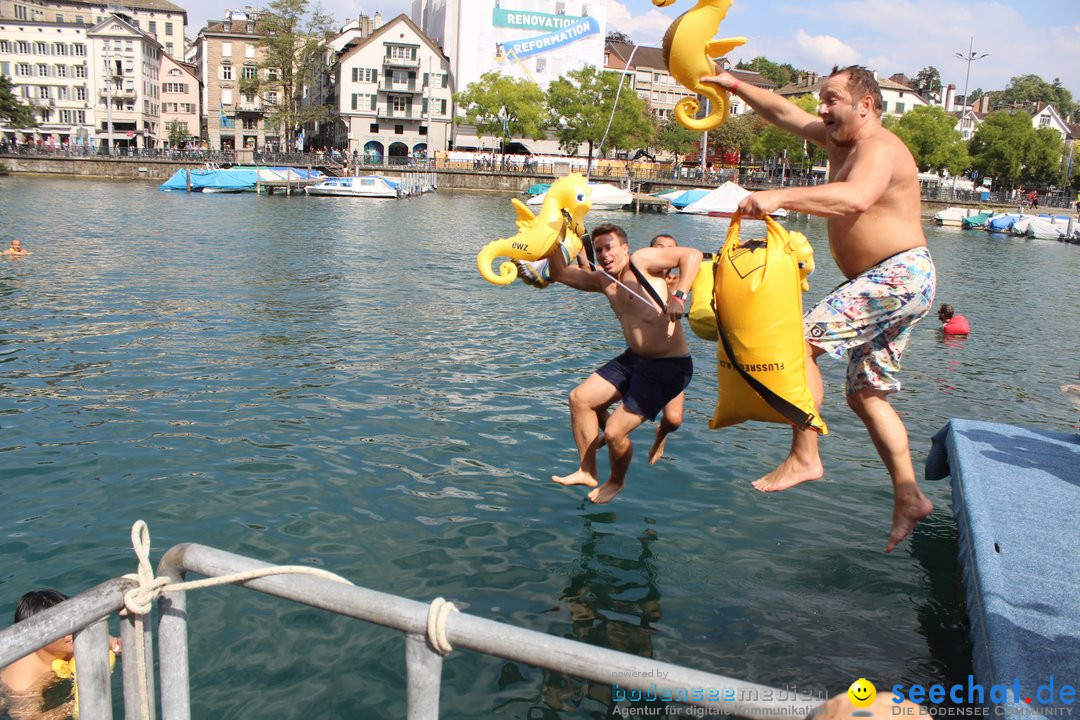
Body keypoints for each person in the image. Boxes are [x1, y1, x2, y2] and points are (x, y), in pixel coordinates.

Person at [702, 65, 936, 552]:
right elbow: (784, 111)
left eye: (832, 100)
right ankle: (909, 495)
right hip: (889, 281)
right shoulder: (838, 141)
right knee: (866, 395)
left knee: (796, 343)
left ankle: (805, 454)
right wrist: (735, 85)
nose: (822, 110)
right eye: (821, 101)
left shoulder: (879, 147)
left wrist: (779, 196)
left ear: (865, 105)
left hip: (898, 274)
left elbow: (855, 199)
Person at [547, 222, 702, 503]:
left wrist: (679, 296)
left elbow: (692, 255)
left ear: (625, 248)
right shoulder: (604, 280)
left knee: (618, 431)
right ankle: (587, 470)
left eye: (609, 247)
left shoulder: (642, 261)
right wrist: (550, 237)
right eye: (599, 250)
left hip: (669, 365)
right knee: (580, 399)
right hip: (634, 358)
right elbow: (558, 272)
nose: (604, 254)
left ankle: (616, 481)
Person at [1, 590, 121, 720]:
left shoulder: (72, 640)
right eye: (59, 627)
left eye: (71, 621)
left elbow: (121, 645)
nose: (70, 631)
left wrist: (113, 645)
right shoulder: (24, 679)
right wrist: (73, 706)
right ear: (34, 637)